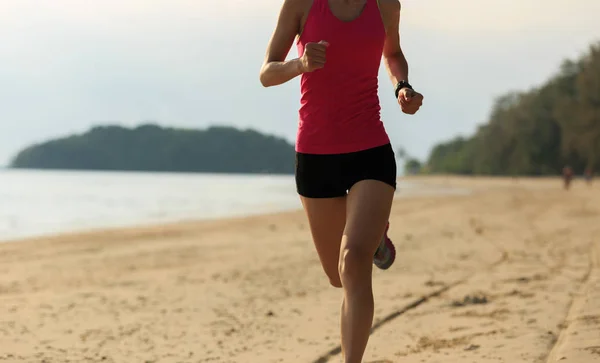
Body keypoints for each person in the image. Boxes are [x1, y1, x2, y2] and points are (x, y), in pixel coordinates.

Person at [259, 0, 423, 361]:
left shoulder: (385, 6)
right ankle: (373, 232)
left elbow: (392, 54)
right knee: (338, 276)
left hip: (370, 148)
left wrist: (402, 87)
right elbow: (266, 73)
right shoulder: (301, 5)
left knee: (353, 262)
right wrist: (299, 64)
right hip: (316, 154)